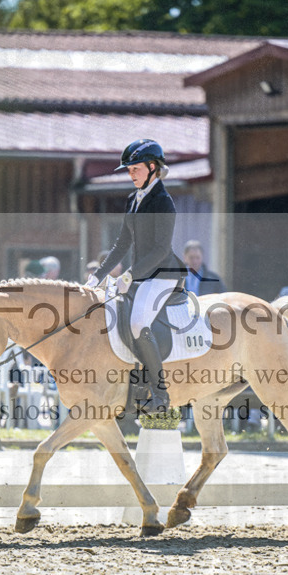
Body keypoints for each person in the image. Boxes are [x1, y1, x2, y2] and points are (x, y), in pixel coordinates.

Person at [86, 138, 185, 412]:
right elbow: (121, 245)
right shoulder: (134, 199)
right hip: (140, 275)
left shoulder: (164, 202)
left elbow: (160, 249)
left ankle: (161, 394)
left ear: (153, 167)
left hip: (163, 274)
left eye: (135, 169)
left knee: (139, 322)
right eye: (128, 170)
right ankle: (133, 386)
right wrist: (97, 275)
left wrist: (129, 275)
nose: (131, 174)